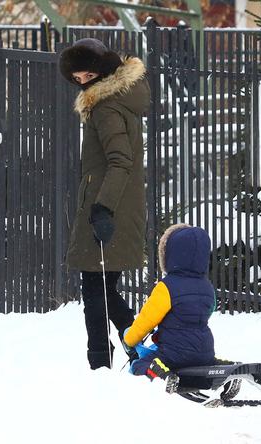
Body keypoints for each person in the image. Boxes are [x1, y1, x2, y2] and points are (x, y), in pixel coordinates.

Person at [58, 38, 150, 370]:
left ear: (102, 71)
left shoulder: (107, 107)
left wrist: (103, 208)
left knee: (96, 293)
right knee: (99, 290)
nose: (83, 83)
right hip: (112, 203)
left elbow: (120, 161)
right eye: (77, 79)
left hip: (110, 208)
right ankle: (131, 344)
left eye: (87, 75)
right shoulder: (113, 101)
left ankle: (107, 358)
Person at [122, 224, 217, 391]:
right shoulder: (207, 287)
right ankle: (204, 380)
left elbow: (147, 320)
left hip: (174, 353)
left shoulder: (167, 287)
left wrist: (129, 339)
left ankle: (159, 373)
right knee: (194, 363)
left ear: (170, 256)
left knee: (138, 365)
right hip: (205, 351)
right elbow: (210, 309)